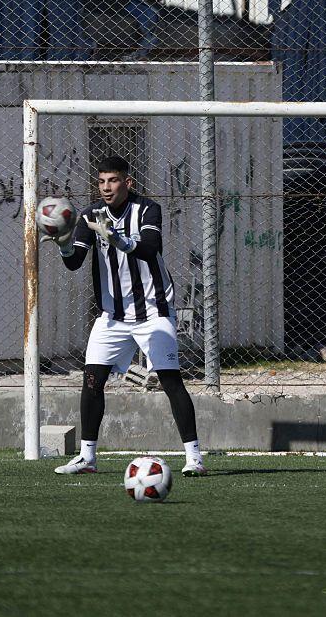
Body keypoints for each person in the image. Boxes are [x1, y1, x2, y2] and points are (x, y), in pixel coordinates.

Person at [42, 155, 206, 476]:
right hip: (112, 316)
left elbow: (151, 247)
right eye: (101, 181)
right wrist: (63, 245)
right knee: (92, 381)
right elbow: (76, 261)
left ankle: (195, 458)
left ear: (127, 183)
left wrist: (117, 238)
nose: (106, 187)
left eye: (113, 181)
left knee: (171, 381)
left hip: (153, 312)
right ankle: (87, 458)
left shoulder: (147, 209)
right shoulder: (91, 214)